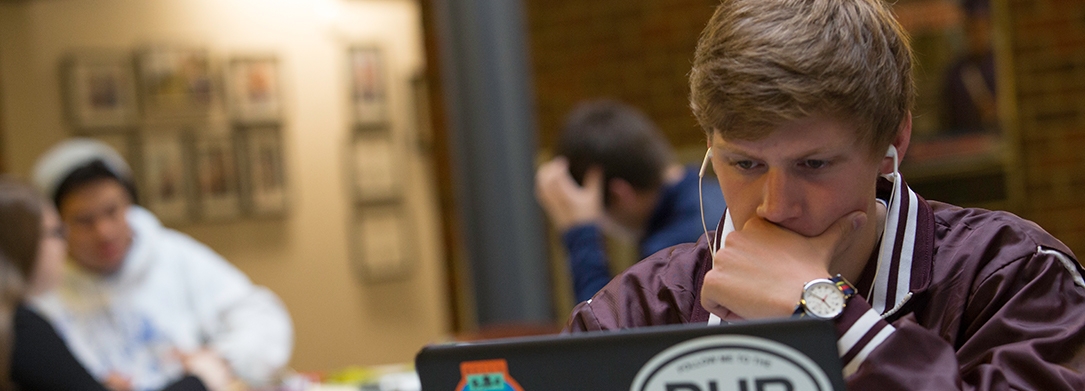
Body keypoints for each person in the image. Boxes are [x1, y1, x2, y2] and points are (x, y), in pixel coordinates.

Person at [563, 1, 1085, 389]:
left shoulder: (1013, 277)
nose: (775, 204)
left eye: (812, 164)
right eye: (744, 163)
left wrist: (821, 311)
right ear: (708, 144)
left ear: (893, 141)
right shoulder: (633, 316)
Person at [28, 138, 294, 391]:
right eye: (84, 220)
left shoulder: (171, 255)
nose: (104, 232)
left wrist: (220, 359)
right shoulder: (44, 288)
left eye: (112, 211)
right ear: (56, 224)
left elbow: (262, 318)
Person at [0, 177, 214, 390]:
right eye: (56, 232)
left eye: (112, 212)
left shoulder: (172, 251)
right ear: (22, 243)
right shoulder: (22, 327)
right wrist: (200, 380)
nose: (63, 244)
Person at [535, 100, 726, 303]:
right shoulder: (714, 195)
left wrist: (581, 234)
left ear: (620, 194)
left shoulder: (672, 251)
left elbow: (602, 329)